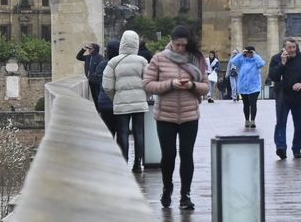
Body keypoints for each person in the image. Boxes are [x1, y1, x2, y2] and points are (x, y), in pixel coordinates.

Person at [142, 25, 210, 210]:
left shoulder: (196, 59)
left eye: (183, 45)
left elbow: (206, 87)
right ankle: (167, 188)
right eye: (177, 44)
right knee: (168, 155)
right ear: (171, 42)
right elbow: (147, 85)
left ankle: (185, 195)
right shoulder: (159, 59)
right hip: (165, 115)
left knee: (187, 155)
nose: (180, 48)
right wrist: (171, 84)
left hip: (189, 115)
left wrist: (191, 86)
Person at [102, 30, 150, 168]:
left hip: (121, 103)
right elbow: (149, 82)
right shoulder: (142, 61)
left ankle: (124, 162)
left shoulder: (113, 62)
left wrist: (115, 97)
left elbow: (107, 85)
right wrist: (144, 97)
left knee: (122, 133)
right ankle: (137, 163)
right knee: (138, 132)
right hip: (139, 103)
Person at [267, 37, 301, 160]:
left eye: (294, 47)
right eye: (289, 47)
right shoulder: (276, 58)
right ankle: (281, 148)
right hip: (282, 96)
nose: (292, 50)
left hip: (299, 96)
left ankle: (296, 149)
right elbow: (273, 76)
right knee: (280, 123)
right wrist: (282, 63)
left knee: (300, 124)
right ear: (284, 48)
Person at [86, 41, 118, 146]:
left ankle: (109, 154)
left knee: (109, 131)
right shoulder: (120, 64)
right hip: (120, 103)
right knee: (122, 132)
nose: (89, 50)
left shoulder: (101, 63)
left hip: (105, 103)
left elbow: (98, 82)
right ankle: (125, 158)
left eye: (90, 48)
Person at [229, 45, 267, 127]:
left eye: (251, 52)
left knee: (253, 103)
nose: (249, 54)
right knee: (245, 104)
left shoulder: (257, 59)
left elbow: (261, 64)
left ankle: (253, 121)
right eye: (248, 52)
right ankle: (246, 120)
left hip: (254, 86)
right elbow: (233, 61)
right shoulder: (242, 59)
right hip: (243, 85)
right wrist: (241, 54)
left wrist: (255, 55)